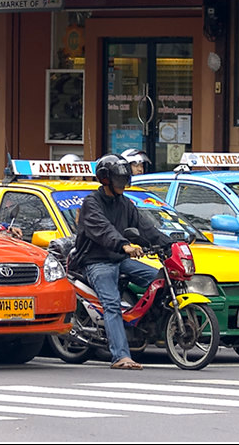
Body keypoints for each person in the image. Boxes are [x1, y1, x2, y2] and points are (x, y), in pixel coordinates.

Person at [74, 154, 172, 370]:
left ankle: (147, 328)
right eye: (119, 179)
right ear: (105, 179)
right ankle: (120, 356)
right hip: (96, 261)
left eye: (125, 179)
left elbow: (146, 228)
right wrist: (124, 245)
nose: (123, 184)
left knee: (159, 280)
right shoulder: (92, 203)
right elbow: (102, 229)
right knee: (112, 305)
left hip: (120, 259)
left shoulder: (125, 203)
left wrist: (170, 244)